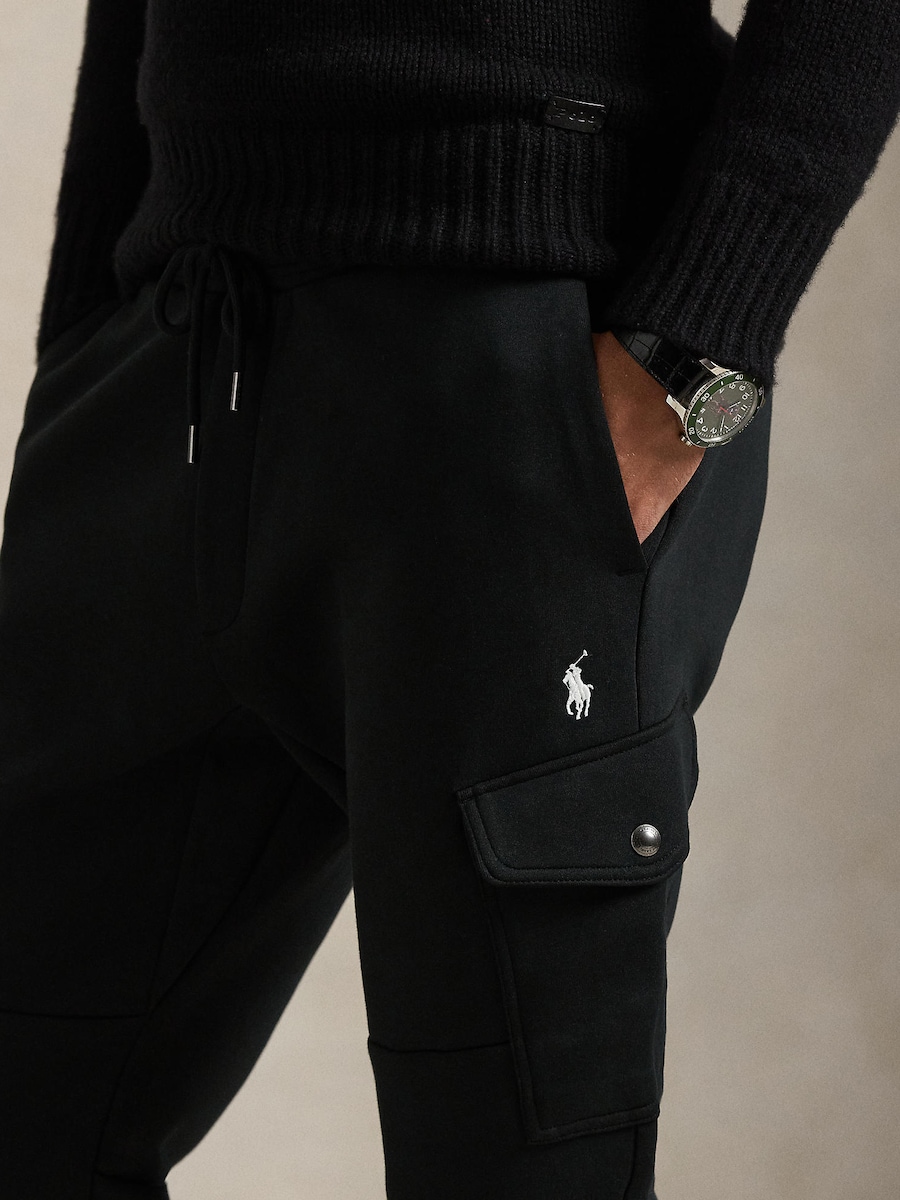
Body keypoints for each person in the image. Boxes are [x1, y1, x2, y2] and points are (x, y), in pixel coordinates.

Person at [1, 0, 898, 1197]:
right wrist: (79, 348)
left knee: (509, 1165)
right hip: (176, 358)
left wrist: (698, 351)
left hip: (516, 370)